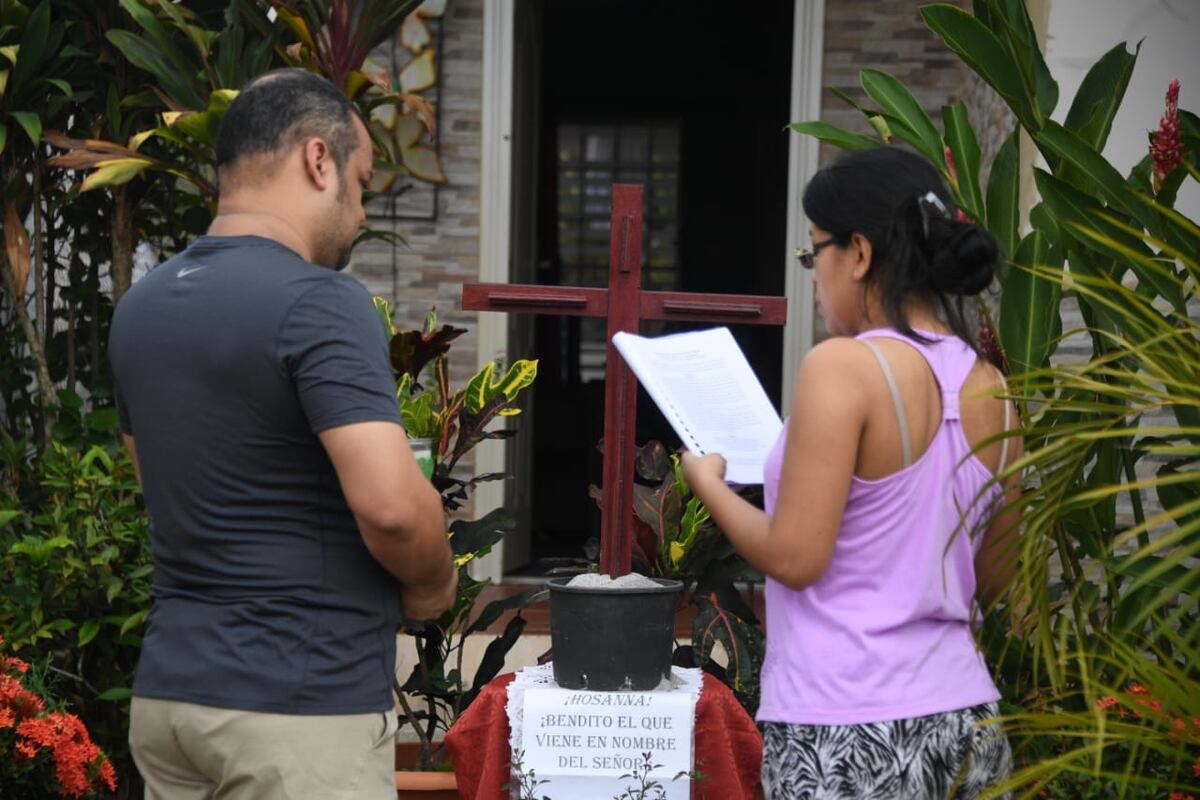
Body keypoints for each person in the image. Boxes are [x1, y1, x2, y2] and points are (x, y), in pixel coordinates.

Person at [108, 68, 456, 800]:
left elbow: (160, 491)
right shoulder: (320, 302)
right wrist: (433, 582)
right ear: (318, 160)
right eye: (360, 182)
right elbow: (392, 508)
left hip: (171, 704)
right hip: (295, 708)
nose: (360, 213)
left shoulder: (140, 309)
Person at [681, 146, 1022, 799]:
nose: (814, 275)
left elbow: (795, 556)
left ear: (859, 254)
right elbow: (996, 576)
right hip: (967, 724)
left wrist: (708, 485)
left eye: (815, 254)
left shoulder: (843, 369)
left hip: (845, 725)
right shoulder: (993, 388)